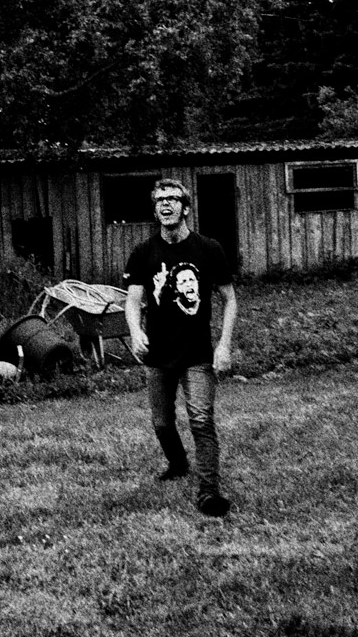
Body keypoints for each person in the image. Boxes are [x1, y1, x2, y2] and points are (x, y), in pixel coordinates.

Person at [123, 178, 237, 517]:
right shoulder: (143, 253)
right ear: (155, 209)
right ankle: (178, 463)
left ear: (186, 208)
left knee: (201, 421)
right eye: (160, 200)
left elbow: (230, 300)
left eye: (173, 199)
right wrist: (135, 330)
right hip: (157, 355)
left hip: (198, 354)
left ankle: (209, 492)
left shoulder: (209, 249)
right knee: (161, 423)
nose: (166, 205)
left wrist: (224, 344)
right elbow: (132, 302)